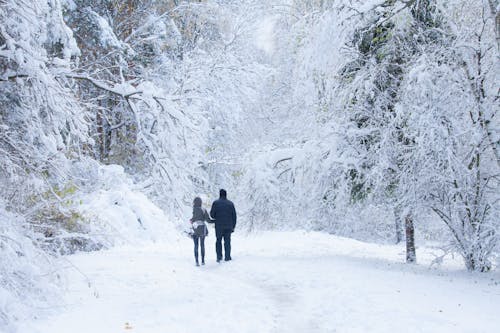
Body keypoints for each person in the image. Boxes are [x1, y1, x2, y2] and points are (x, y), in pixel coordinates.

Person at [209, 189, 237, 262]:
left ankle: (219, 257)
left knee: (218, 241)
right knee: (227, 241)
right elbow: (234, 216)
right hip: (228, 226)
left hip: (219, 226)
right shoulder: (230, 204)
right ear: (226, 195)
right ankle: (227, 257)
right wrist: (233, 226)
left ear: (220, 194)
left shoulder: (215, 203)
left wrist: (217, 217)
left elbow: (212, 215)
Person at [190, 197, 211, 266]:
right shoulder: (203, 209)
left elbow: (194, 219)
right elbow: (208, 220)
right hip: (202, 229)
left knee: (196, 245)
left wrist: (191, 220)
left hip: (195, 228)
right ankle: (202, 261)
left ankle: (196, 261)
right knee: (202, 245)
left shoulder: (194, 209)